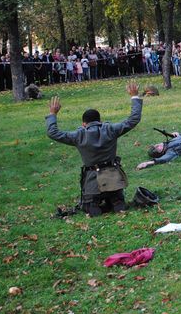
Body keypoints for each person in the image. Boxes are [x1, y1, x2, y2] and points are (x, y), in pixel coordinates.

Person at [46, 81, 143, 216]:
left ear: (84, 124)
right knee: (119, 205)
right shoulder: (110, 130)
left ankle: (96, 205)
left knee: (92, 209)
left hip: (92, 182)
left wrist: (52, 114)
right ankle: (115, 202)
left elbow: (53, 133)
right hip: (114, 180)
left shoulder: (79, 135)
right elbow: (133, 119)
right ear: (100, 121)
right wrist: (134, 96)